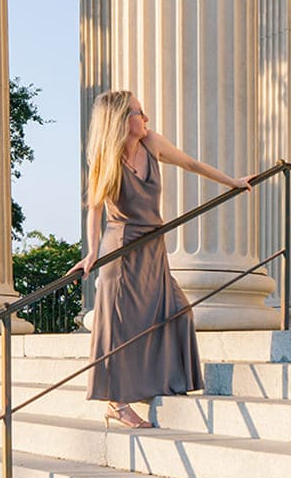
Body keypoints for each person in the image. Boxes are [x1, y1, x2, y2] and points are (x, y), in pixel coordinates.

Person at [72, 90, 251, 428]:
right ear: (122, 120)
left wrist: (233, 182)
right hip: (121, 250)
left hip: (153, 246)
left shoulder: (151, 143)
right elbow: (95, 210)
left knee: (178, 311)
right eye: (140, 113)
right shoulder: (105, 158)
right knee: (118, 326)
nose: (147, 118)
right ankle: (116, 403)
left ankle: (169, 382)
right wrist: (92, 252)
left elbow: (191, 163)